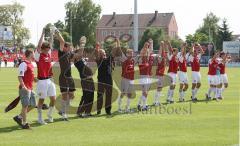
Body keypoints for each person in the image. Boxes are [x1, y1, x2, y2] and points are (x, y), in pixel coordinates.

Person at [35, 28, 56, 124]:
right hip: (42, 81)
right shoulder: (38, 56)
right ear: (42, 49)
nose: (48, 51)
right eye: (46, 50)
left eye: (49, 50)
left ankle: (49, 115)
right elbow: (39, 45)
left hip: (50, 80)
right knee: (42, 99)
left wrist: (52, 34)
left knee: (53, 99)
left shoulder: (48, 54)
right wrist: (42, 34)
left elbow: (50, 44)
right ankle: (40, 118)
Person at [95, 40, 120, 115]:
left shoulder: (109, 59)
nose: (104, 54)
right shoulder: (99, 60)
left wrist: (117, 43)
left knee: (109, 96)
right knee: (100, 96)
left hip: (109, 80)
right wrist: (97, 48)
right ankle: (98, 110)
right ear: (100, 54)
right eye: (102, 53)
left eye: (104, 53)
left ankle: (108, 110)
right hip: (101, 80)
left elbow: (115, 51)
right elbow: (96, 53)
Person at [55, 29, 75, 120]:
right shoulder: (61, 53)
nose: (70, 49)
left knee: (72, 95)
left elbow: (75, 55)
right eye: (69, 47)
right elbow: (62, 41)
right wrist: (57, 32)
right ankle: (64, 113)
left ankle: (62, 110)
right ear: (64, 48)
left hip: (69, 77)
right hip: (63, 77)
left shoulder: (68, 54)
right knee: (65, 96)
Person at [13, 49, 36, 129]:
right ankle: (25, 123)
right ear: (30, 54)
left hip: (30, 88)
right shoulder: (23, 64)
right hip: (25, 88)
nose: (34, 54)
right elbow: (20, 76)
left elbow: (31, 76)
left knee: (33, 105)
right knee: (25, 106)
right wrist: (23, 86)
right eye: (33, 53)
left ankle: (19, 117)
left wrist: (36, 79)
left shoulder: (31, 64)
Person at [74, 37, 94, 118]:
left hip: (90, 79)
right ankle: (80, 112)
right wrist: (82, 44)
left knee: (91, 95)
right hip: (85, 80)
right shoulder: (76, 60)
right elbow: (80, 54)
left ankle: (87, 112)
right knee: (86, 96)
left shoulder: (83, 59)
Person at [137, 41, 153, 111]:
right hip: (143, 77)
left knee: (146, 92)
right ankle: (144, 106)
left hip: (147, 76)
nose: (147, 49)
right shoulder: (141, 59)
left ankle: (140, 104)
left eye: (147, 47)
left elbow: (149, 52)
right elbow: (143, 52)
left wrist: (150, 44)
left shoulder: (147, 61)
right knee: (145, 92)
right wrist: (145, 46)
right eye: (146, 47)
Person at [154, 41, 167, 106]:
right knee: (159, 88)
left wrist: (163, 46)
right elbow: (160, 52)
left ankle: (156, 101)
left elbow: (162, 52)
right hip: (159, 75)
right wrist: (161, 45)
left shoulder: (163, 58)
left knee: (159, 88)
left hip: (160, 75)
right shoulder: (160, 58)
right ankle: (157, 102)